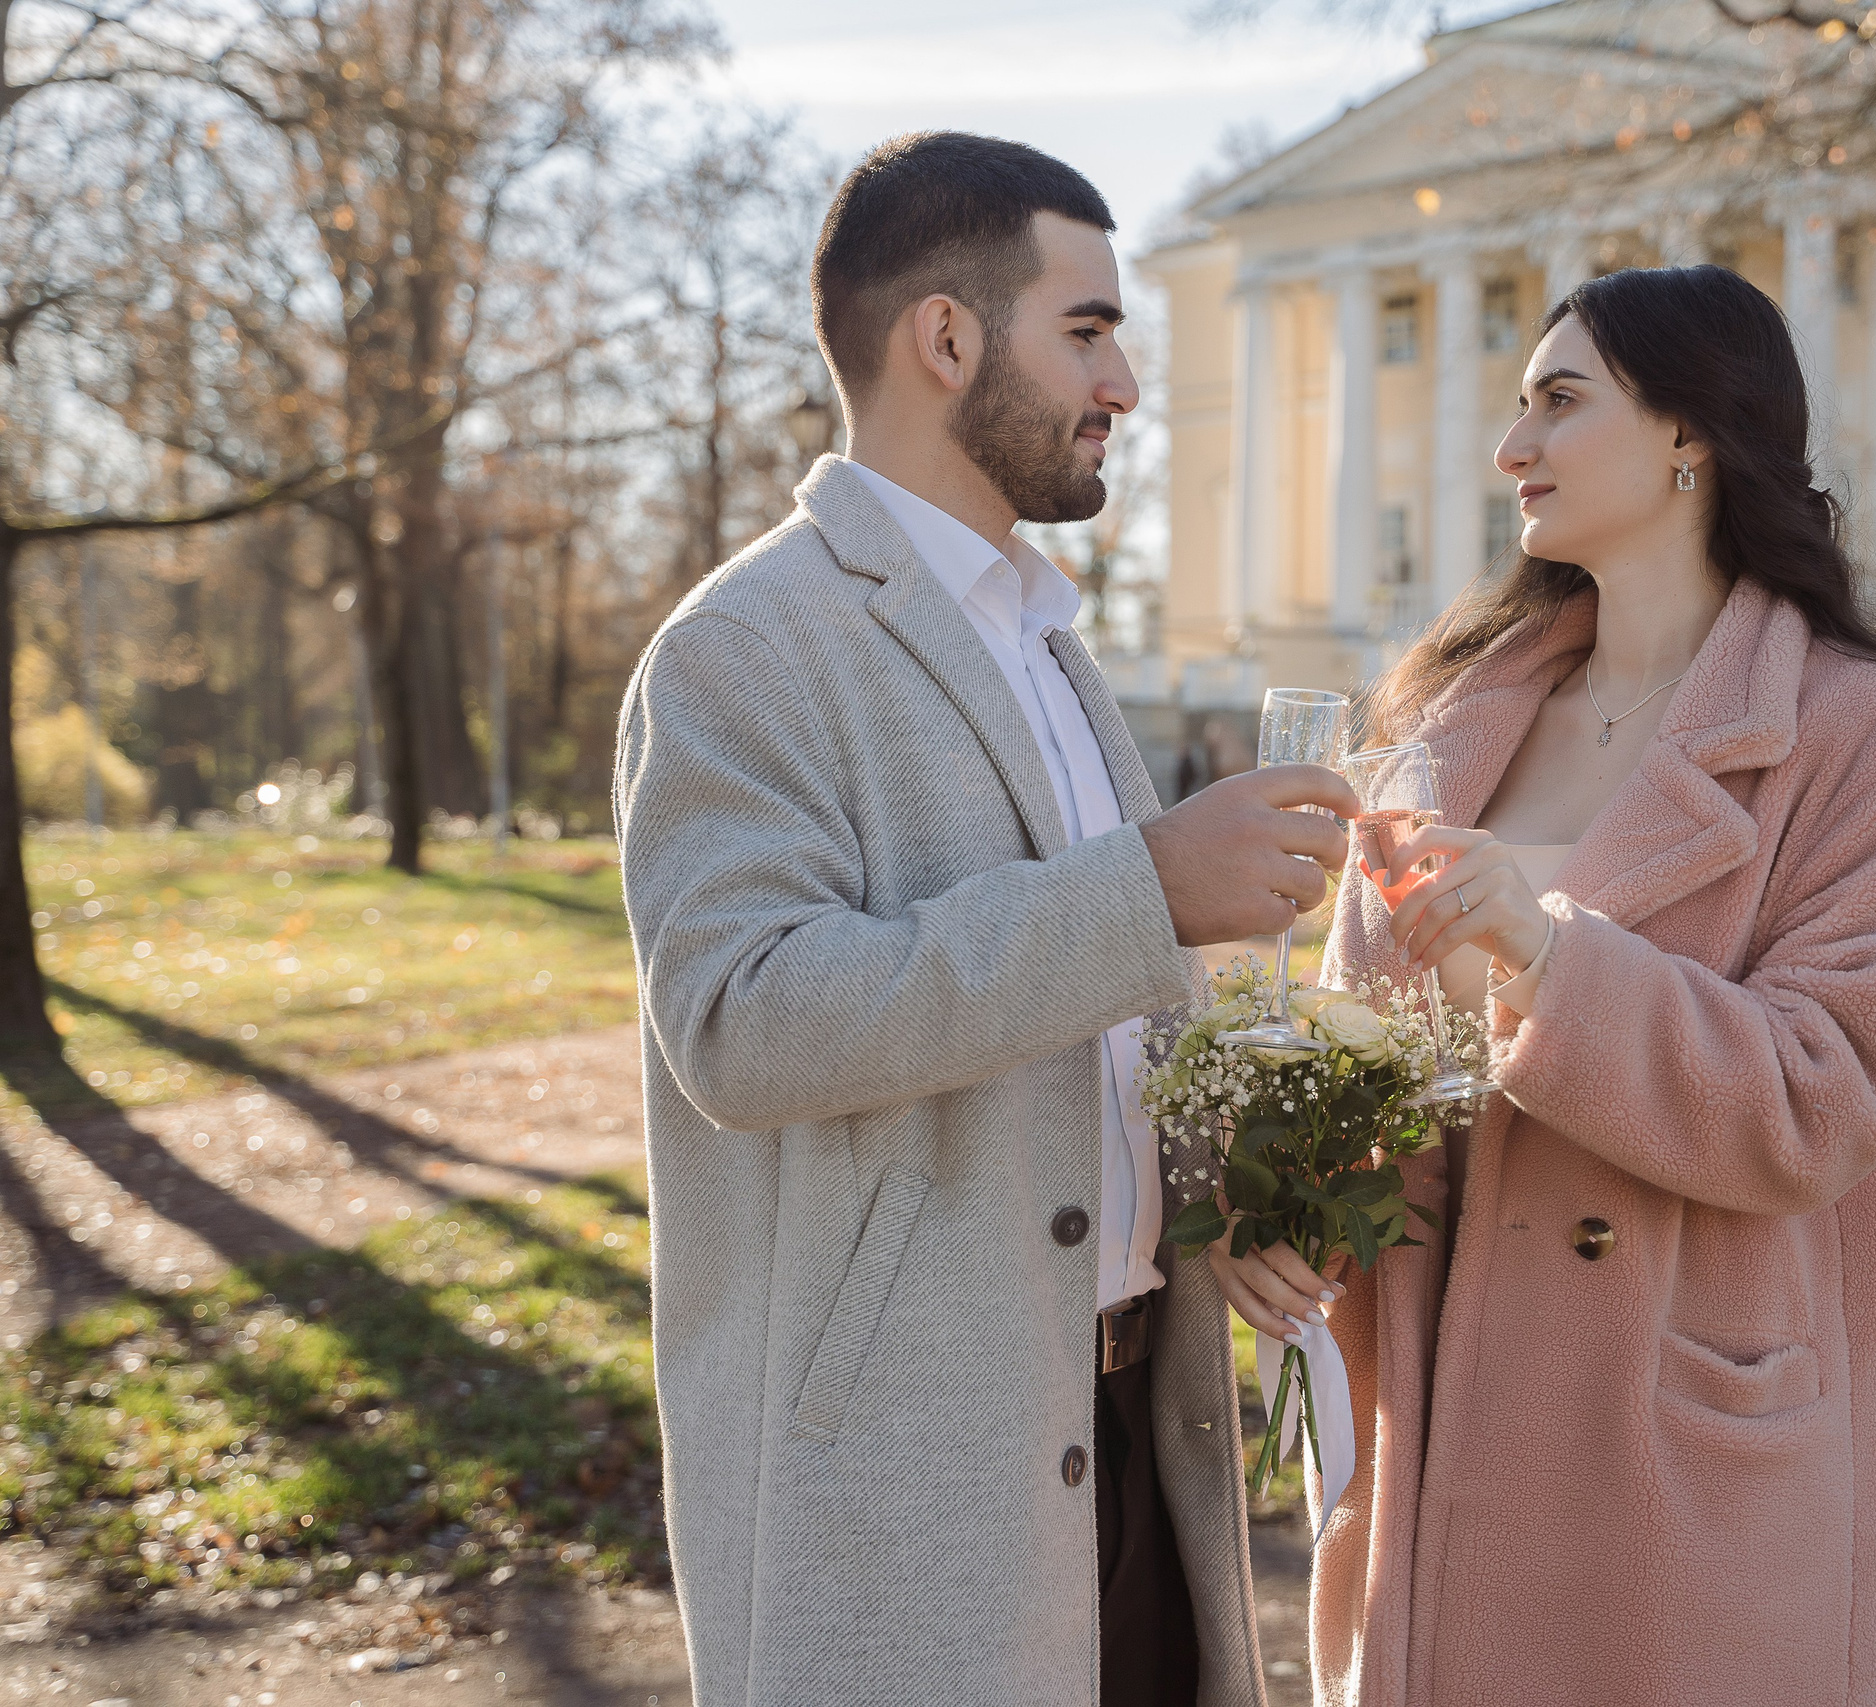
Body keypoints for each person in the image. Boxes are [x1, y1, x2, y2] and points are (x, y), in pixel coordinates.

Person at [614, 131, 1355, 1707]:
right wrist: (1149, 888)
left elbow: (1089, 1037)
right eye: (1087, 330)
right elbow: (742, 1024)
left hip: (1142, 1445)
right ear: (945, 340)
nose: (1128, 386)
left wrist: (1226, 1184)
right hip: (906, 1481)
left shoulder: (1054, 649)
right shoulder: (742, 648)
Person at [1208, 264, 1876, 1706]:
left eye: (1560, 403)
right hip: (1434, 1442)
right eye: (1516, 408)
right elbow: (1358, 1047)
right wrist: (1285, 1212)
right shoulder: (1448, 722)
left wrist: (1553, 956)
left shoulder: (1858, 737)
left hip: (1676, 1473)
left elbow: (1835, 1092)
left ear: (1690, 433)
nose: (1512, 450)